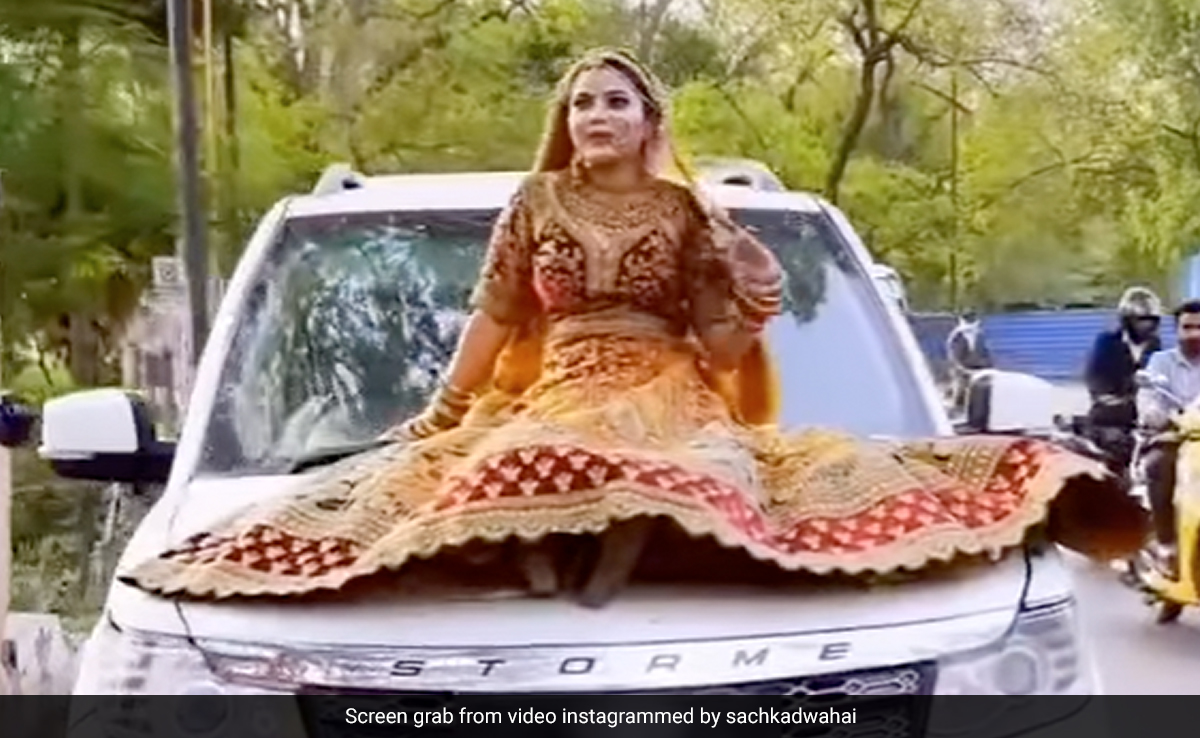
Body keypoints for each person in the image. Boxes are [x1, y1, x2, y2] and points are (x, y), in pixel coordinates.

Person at [122, 48, 1145, 606]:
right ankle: (536, 546)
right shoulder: (534, 202)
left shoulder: (691, 214)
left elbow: (719, 349)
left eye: (614, 102)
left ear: (650, 121)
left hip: (668, 387)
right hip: (562, 383)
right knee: (499, 460)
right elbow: (496, 315)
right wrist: (442, 412)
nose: (595, 117)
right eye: (580, 105)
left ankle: (610, 543)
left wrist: (753, 298)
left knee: (704, 465)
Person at [1137, 300, 1200, 577]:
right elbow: (1149, 398)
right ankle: (1166, 544)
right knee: (1158, 464)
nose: (1194, 334)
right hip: (1172, 436)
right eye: (1188, 327)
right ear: (1177, 330)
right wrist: (1156, 414)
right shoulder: (1160, 362)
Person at [1083, 287, 1164, 474]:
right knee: (1113, 456)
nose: (1147, 325)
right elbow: (1095, 377)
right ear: (1127, 320)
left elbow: (1159, 379)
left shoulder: (1155, 345)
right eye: (1141, 320)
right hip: (1110, 417)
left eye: (1151, 320)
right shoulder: (1107, 342)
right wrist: (1118, 392)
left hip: (1144, 418)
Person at [945, 309, 992, 413]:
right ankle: (955, 409)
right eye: (969, 319)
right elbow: (953, 354)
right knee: (960, 388)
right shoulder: (957, 335)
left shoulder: (979, 334)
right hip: (961, 369)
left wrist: (987, 366)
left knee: (978, 392)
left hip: (977, 368)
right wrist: (960, 368)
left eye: (973, 318)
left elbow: (985, 352)